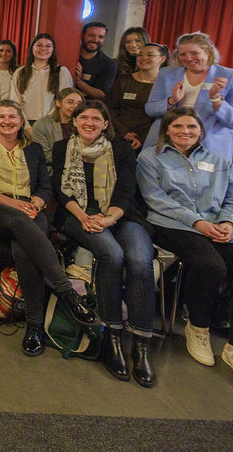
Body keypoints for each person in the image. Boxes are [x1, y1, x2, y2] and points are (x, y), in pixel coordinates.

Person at [137, 108, 233, 392]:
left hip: (222, 226)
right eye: (178, 126)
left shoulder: (218, 161)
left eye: (192, 126)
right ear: (167, 130)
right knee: (210, 265)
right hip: (174, 225)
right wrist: (197, 222)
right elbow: (155, 199)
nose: (185, 131)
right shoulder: (150, 158)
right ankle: (197, 327)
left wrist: (230, 223)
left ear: (201, 131)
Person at [0, 100, 98, 357]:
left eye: (12, 116)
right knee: (19, 222)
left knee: (24, 248)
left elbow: (45, 189)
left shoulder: (34, 149)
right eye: (1, 116)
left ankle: (34, 326)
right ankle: (67, 292)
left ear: (21, 120)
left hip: (29, 210)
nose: (6, 121)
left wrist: (34, 205)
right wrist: (14, 204)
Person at [52, 101, 155, 386]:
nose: (89, 122)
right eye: (82, 117)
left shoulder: (121, 150)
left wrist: (107, 219)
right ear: (73, 122)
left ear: (106, 124)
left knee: (139, 260)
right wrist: (86, 217)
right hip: (78, 215)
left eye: (96, 118)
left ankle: (141, 344)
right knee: (111, 254)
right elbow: (62, 191)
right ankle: (112, 338)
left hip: (121, 216)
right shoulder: (62, 149)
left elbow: (125, 192)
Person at [143, 32, 233, 163]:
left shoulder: (232, 76)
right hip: (166, 144)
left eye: (194, 53)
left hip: (207, 147)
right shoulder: (166, 73)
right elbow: (150, 109)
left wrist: (216, 100)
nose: (188, 58)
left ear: (208, 51)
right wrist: (172, 101)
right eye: (183, 54)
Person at [106, 43, 167, 151]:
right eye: (140, 55)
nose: (144, 58)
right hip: (119, 136)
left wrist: (143, 138)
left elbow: (164, 117)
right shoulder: (124, 80)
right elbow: (109, 108)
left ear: (162, 59)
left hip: (151, 141)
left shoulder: (165, 85)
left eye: (150, 55)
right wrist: (123, 132)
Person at [11, 33, 74, 123]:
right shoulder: (20, 72)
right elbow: (15, 100)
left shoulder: (62, 72)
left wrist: (45, 124)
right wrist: (26, 126)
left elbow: (64, 100)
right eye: (39, 45)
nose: (43, 49)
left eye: (48, 46)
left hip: (52, 122)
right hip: (24, 122)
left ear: (53, 50)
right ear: (32, 48)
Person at [31, 87, 84, 164]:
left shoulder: (84, 124)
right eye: (70, 102)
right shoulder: (42, 125)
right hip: (53, 171)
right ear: (58, 103)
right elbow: (44, 155)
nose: (75, 106)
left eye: (79, 103)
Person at [75, 21, 117, 100]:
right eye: (91, 35)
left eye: (101, 37)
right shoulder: (70, 55)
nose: (96, 40)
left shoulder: (109, 64)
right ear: (82, 35)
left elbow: (101, 94)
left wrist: (78, 81)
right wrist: (88, 90)